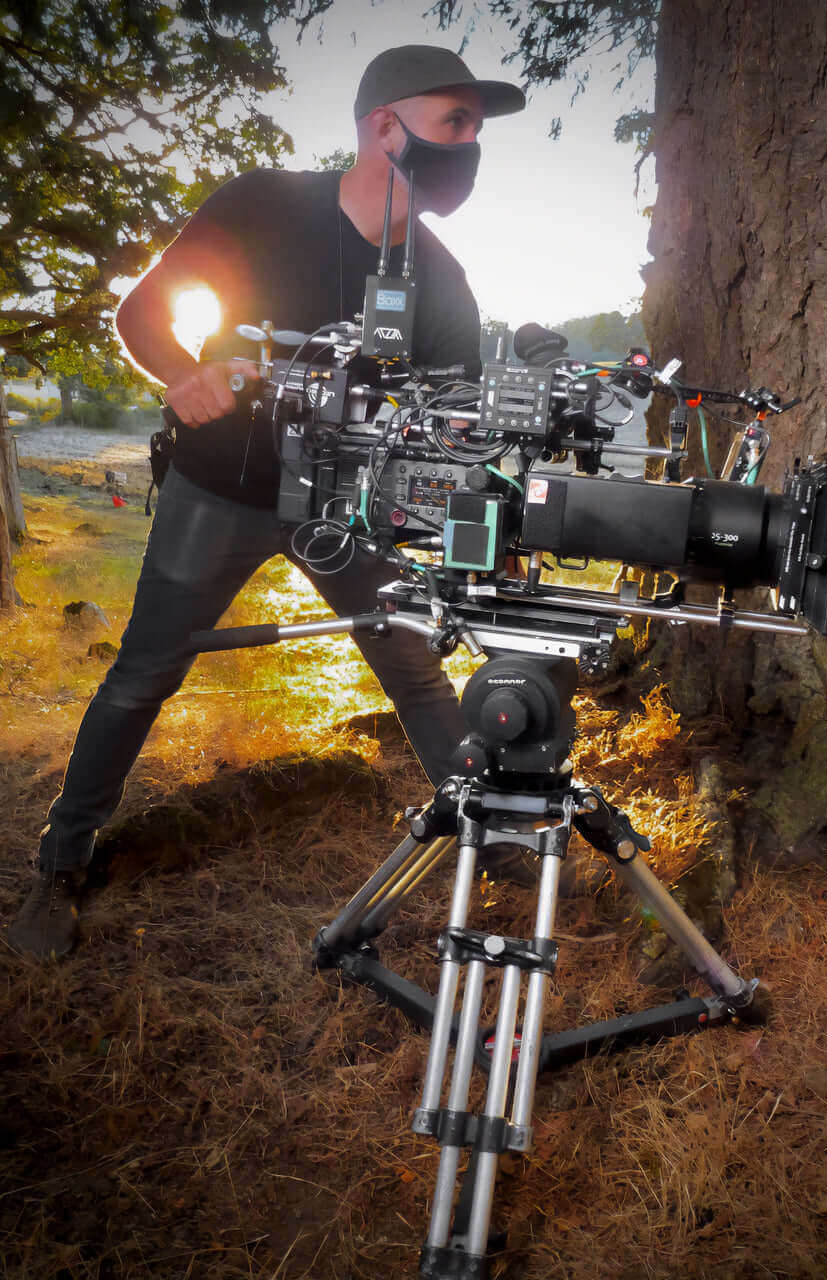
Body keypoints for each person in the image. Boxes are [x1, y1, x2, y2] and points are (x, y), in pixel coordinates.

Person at [7, 46, 577, 962]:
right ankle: (61, 861)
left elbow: (452, 431)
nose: (469, 146)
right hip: (216, 491)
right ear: (384, 126)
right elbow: (141, 314)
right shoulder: (261, 203)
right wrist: (183, 375)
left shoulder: (443, 278)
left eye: (474, 129)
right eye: (455, 123)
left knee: (415, 672)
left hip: (348, 518)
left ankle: (496, 837)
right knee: (142, 675)